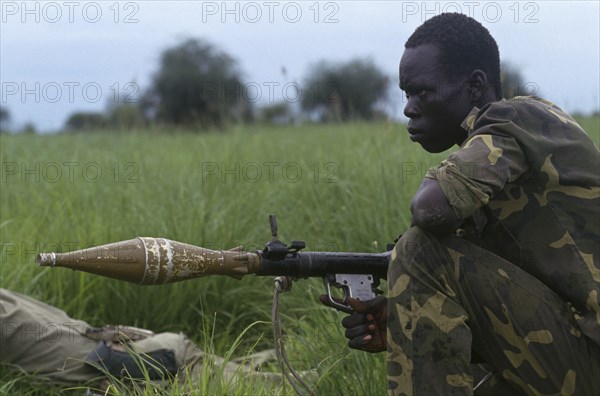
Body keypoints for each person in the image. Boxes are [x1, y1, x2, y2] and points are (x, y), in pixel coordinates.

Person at [321, 13, 600, 396]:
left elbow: (430, 209)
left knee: (420, 252)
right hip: (578, 353)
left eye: (423, 92)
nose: (409, 108)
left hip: (589, 355)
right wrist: (406, 318)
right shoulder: (501, 160)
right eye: (406, 94)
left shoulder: (513, 120)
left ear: (475, 85)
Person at [0, 288, 282, 391]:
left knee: (280, 388)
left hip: (154, 362)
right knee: (229, 371)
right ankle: (269, 360)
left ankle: (307, 376)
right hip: (141, 351)